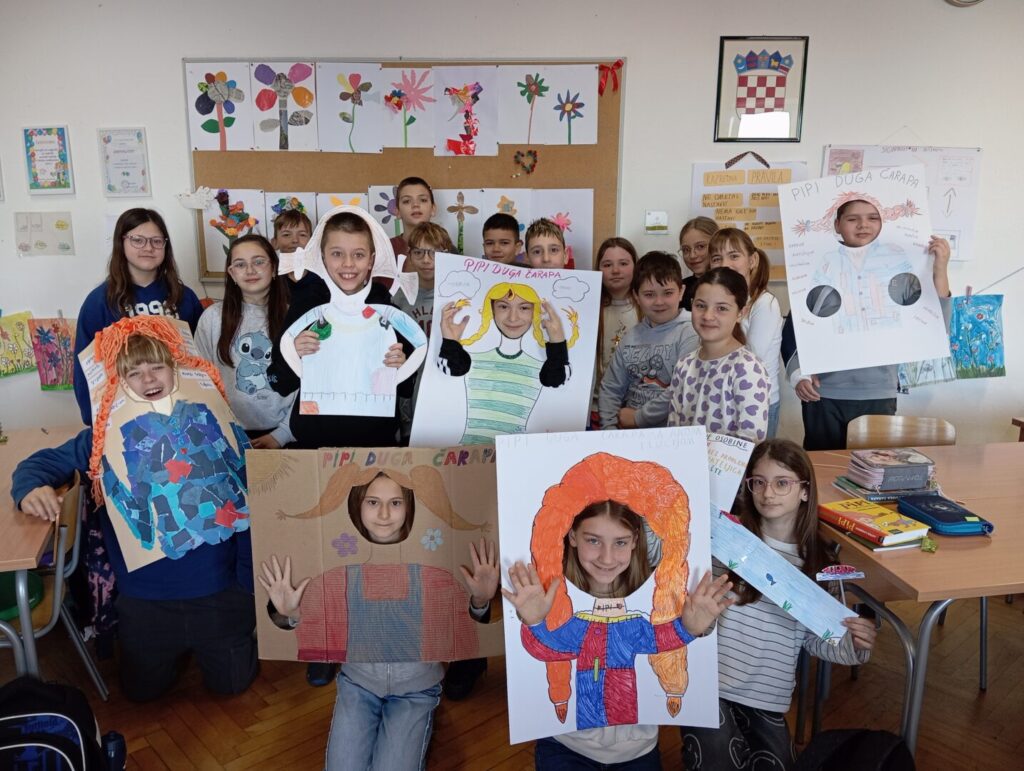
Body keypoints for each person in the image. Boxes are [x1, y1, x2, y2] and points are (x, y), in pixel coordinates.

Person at [14, 320, 257, 702]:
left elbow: (250, 501)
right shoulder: (101, 438)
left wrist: (245, 587)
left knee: (232, 685)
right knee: (142, 693)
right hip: (146, 601)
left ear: (175, 369)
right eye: (134, 372)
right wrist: (30, 488)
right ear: (120, 382)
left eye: (157, 367)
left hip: (219, 593)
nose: (148, 379)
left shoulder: (214, 420)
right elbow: (38, 464)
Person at [259, 470, 499, 771]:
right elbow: (318, 630)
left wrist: (479, 600)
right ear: (357, 505)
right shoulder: (339, 570)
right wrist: (291, 614)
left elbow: (463, 629)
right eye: (373, 502)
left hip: (416, 690)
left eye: (396, 502)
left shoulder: (433, 570)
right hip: (358, 685)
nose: (384, 514)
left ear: (410, 506)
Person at [681, 439, 877, 770]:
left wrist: (854, 644)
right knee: (716, 759)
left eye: (781, 483)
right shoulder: (725, 542)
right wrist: (697, 623)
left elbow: (816, 640)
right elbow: (701, 619)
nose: (768, 493)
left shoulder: (818, 564)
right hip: (710, 687)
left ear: (805, 491)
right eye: (758, 482)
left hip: (767, 698)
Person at [503, 498, 733, 769]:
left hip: (637, 750)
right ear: (573, 536)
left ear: (635, 540)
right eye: (593, 540)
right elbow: (548, 649)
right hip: (567, 745)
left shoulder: (637, 617)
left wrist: (688, 629)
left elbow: (661, 639)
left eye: (620, 542)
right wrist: (535, 622)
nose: (607, 558)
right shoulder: (567, 612)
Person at [786, 197, 952, 450]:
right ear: (837, 225)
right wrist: (798, 374)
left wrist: (940, 269)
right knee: (822, 464)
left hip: (878, 390)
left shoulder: (897, 263)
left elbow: (934, 325)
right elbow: (799, 324)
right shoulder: (823, 263)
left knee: (873, 464)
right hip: (824, 392)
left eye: (873, 218)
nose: (863, 225)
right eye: (853, 219)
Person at [73, 208, 203, 426]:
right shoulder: (99, 302)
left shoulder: (184, 297)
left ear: (165, 246)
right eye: (138, 240)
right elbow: (86, 366)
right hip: (126, 417)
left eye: (156, 241)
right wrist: (94, 417)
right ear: (121, 242)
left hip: (184, 411)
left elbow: (201, 357)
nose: (148, 248)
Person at [436, 283, 576, 445]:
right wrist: (450, 342)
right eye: (503, 307)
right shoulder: (473, 360)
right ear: (492, 310)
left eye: (524, 308)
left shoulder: (541, 368)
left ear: (535, 312)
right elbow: (449, 370)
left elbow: (558, 379)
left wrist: (557, 341)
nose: (513, 318)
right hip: (470, 452)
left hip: (517, 452)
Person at [195, 234, 295, 449]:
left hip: (286, 434)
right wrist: (222, 430)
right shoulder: (212, 318)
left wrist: (282, 434)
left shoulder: (295, 317)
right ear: (232, 273)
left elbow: (309, 385)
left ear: (274, 268)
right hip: (227, 434)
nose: (250, 270)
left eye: (258, 262)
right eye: (240, 264)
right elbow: (200, 380)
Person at [658, 268, 769, 442]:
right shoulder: (684, 365)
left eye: (722, 308)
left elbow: (751, 441)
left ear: (741, 313)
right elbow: (674, 430)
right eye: (700, 306)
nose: (708, 316)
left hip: (731, 461)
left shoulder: (747, 368)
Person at [600, 251, 698, 430]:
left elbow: (681, 388)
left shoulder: (691, 332)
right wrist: (609, 430)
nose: (659, 302)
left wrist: (638, 418)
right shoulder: (631, 337)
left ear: (681, 292)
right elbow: (611, 387)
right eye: (649, 294)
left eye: (667, 293)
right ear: (636, 296)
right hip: (628, 433)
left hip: (671, 435)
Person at [708, 228, 783, 437]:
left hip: (756, 401)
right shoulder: (716, 302)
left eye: (734, 256)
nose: (725, 264)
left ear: (752, 260)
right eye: (717, 258)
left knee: (752, 457)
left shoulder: (764, 303)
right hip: (721, 398)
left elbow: (752, 357)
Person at [591, 237, 641, 428]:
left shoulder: (648, 308)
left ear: (635, 266)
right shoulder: (589, 309)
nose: (616, 270)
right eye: (607, 264)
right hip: (596, 409)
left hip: (636, 410)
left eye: (623, 263)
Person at [678, 217, 717, 311]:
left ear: (717, 245)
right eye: (686, 250)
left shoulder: (732, 285)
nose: (692, 255)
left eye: (700, 246)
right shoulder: (679, 289)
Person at [392, 177, 437, 258]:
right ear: (397, 212)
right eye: (407, 201)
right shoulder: (387, 249)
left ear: (433, 209)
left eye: (423, 200)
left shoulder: (446, 248)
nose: (415, 205)